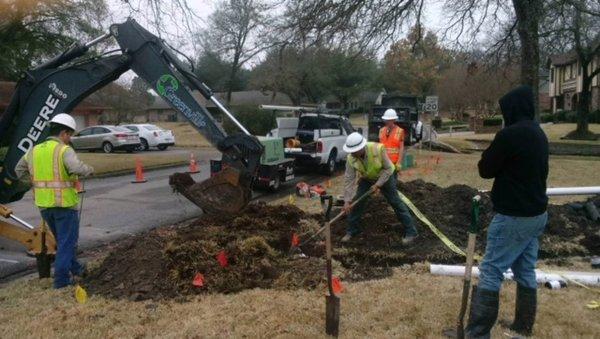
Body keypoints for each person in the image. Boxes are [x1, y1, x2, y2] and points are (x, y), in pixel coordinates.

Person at [466, 85, 549, 338]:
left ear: (511, 110)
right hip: (536, 215)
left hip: (514, 216)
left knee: (491, 270)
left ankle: (478, 334)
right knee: (525, 270)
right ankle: (523, 327)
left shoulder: (509, 135)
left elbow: (485, 169)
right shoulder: (538, 133)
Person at [15, 113, 94, 289]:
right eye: (70, 135)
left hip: (44, 205)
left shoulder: (33, 151)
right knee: (67, 243)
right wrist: (89, 170)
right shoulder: (63, 150)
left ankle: (77, 269)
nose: (69, 139)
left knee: (63, 240)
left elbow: (18, 171)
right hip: (64, 205)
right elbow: (76, 168)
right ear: (64, 133)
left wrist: (33, 182)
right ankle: (61, 281)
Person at [340, 132, 418, 244]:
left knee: (395, 202)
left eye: (354, 151)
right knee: (358, 202)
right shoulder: (351, 158)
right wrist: (347, 201)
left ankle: (411, 232)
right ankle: (352, 231)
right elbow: (349, 179)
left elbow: (388, 169)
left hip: (385, 177)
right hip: (367, 178)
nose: (352, 153)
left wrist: (378, 185)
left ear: (361, 147)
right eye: (350, 151)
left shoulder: (377, 149)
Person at [379, 109, 405, 175]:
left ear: (394, 120)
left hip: (394, 162)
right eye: (386, 120)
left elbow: (401, 148)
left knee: (392, 183)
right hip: (383, 162)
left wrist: (399, 163)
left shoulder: (400, 131)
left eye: (389, 120)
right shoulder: (381, 130)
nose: (387, 122)